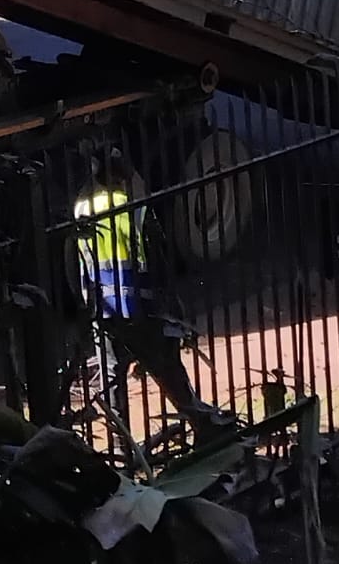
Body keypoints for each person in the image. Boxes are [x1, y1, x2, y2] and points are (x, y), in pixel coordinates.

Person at [75, 147, 230, 439]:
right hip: (141, 307)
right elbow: (159, 262)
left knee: (112, 380)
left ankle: (120, 446)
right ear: (126, 174)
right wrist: (172, 307)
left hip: (102, 308)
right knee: (168, 369)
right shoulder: (136, 209)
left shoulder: (82, 209)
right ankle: (202, 425)